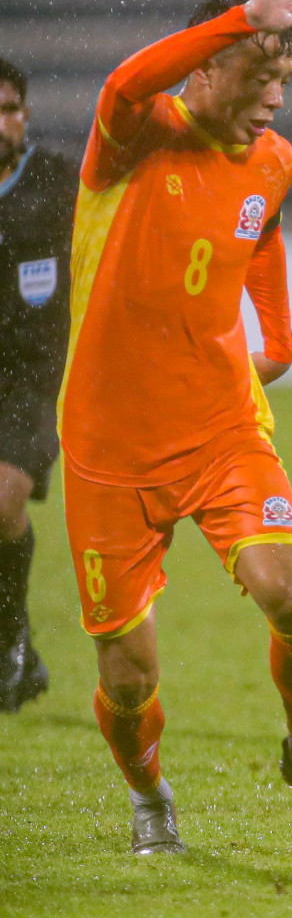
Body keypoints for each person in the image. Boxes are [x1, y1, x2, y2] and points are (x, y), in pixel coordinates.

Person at [63, 0, 292, 855]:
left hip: (219, 426)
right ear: (204, 68)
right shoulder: (135, 136)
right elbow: (126, 78)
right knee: (128, 675)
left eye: (284, 79)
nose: (275, 99)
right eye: (258, 75)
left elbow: (262, 231)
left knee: (291, 591)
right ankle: (150, 796)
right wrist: (241, 16)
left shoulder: (272, 160)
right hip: (108, 450)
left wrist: (278, 338)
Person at [0, 56, 73, 712]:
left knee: (2, 502)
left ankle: (8, 639)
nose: (1, 123)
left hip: (28, 379)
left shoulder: (54, 180)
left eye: (9, 109)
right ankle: (16, 636)